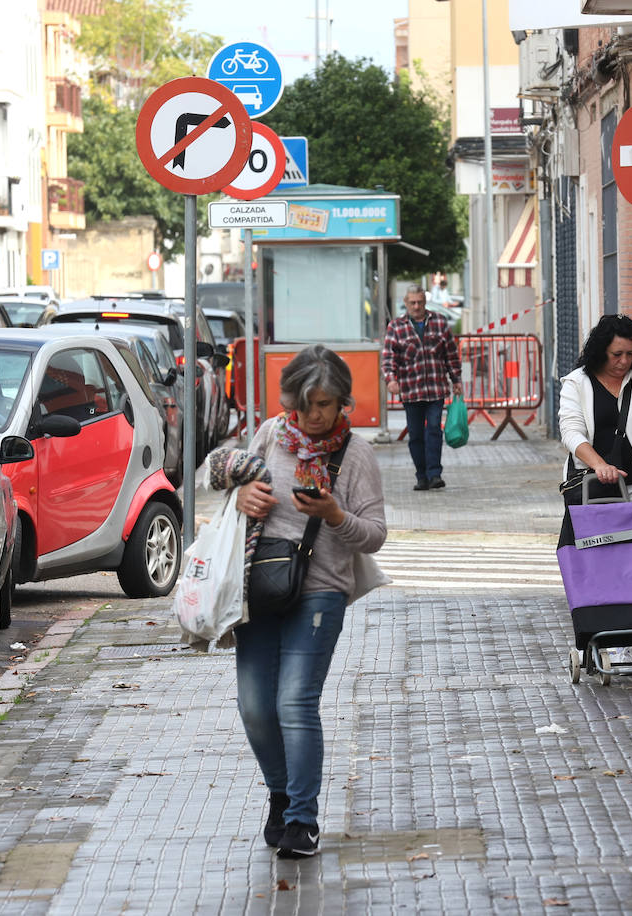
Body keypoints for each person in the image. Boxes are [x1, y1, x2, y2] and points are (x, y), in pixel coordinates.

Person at [229, 345, 387, 859]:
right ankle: (281, 792)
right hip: (260, 584)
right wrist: (241, 496)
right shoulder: (272, 435)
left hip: (321, 590)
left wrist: (336, 514)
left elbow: (376, 534)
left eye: (324, 404)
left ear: (343, 401)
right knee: (255, 707)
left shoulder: (356, 454)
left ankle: (301, 818)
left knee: (294, 703)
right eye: (304, 404)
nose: (314, 415)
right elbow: (238, 485)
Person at [559, 313, 632, 504]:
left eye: (630, 354)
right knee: (594, 535)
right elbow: (571, 433)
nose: (624, 361)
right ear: (601, 351)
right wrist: (600, 465)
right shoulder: (576, 383)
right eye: (617, 354)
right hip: (589, 487)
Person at [382, 283, 462, 491]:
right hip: (410, 390)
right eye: (412, 302)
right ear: (406, 303)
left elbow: (451, 355)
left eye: (419, 302)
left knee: (434, 430)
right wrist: (391, 379)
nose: (416, 306)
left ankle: (435, 474)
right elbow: (389, 358)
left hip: (435, 389)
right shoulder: (396, 327)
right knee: (416, 435)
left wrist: (456, 380)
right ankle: (421, 476)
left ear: (425, 302)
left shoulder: (439, 322)